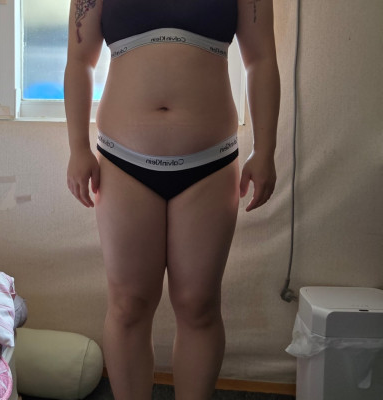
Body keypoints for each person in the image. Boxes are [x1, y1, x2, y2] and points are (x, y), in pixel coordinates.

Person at [65, 0, 280, 399]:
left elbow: (261, 60)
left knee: (198, 304)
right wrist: (77, 147)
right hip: (123, 161)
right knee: (129, 305)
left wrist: (265, 150)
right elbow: (79, 60)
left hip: (210, 162)